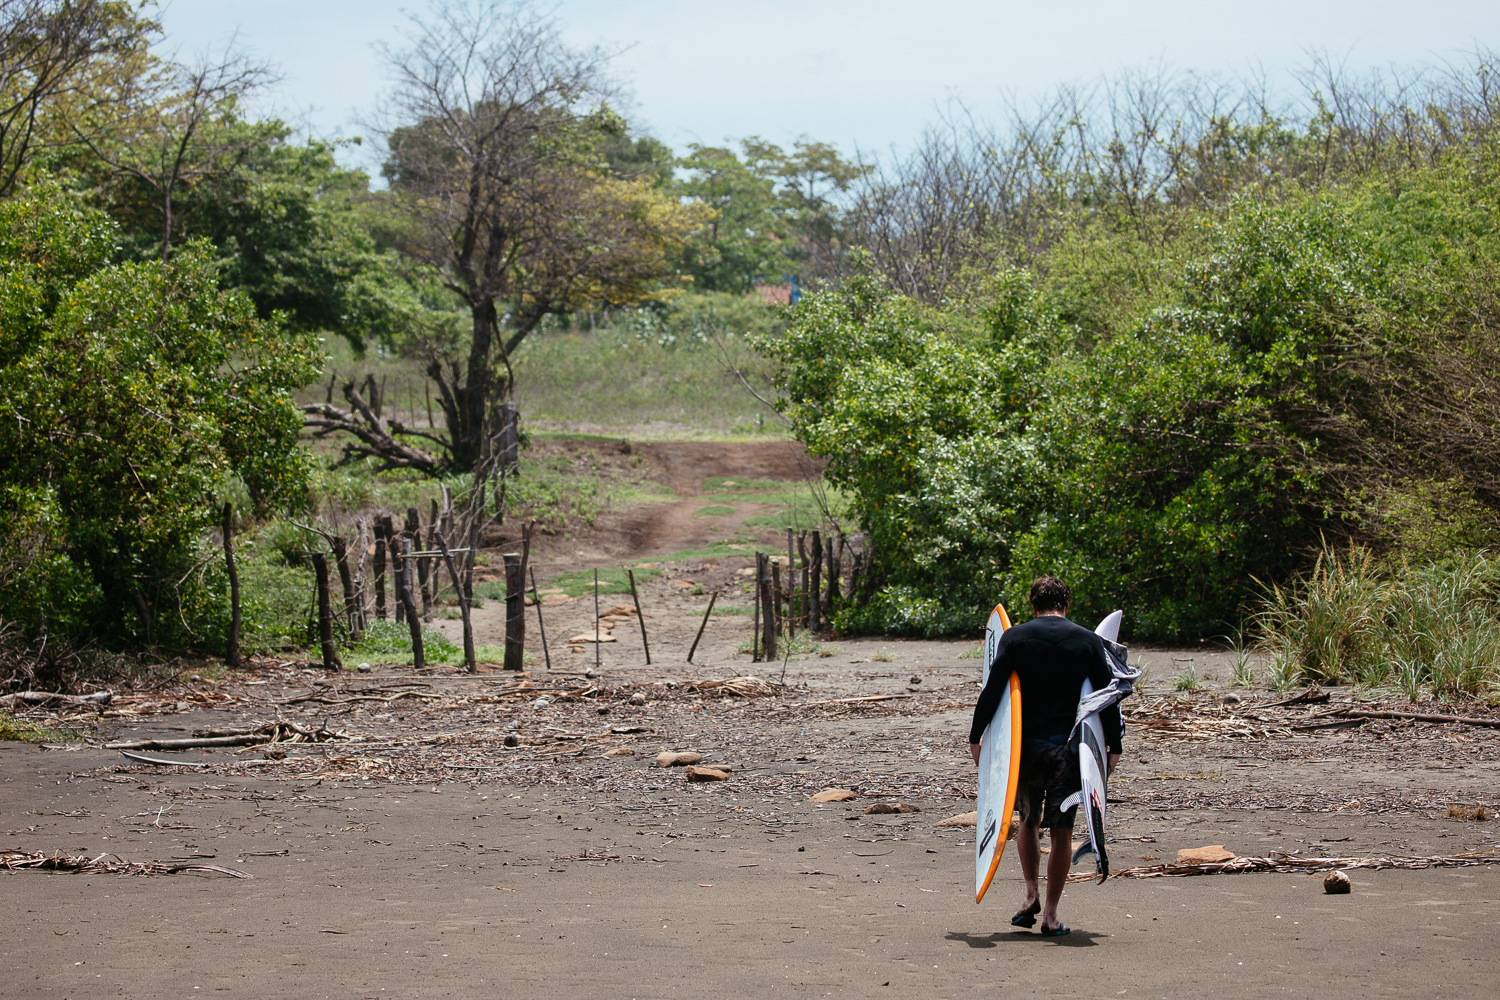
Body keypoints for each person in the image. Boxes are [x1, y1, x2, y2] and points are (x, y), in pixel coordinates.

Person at [968, 576, 1122, 937]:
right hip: (1067, 752)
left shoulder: (1016, 638)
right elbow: (1106, 699)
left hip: (1025, 751)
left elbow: (992, 692)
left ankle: (1030, 894)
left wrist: (977, 738)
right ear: (1066, 605)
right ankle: (1051, 915)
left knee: (1028, 820)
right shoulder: (1087, 641)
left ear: (1033, 605)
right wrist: (1113, 747)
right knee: (1062, 832)